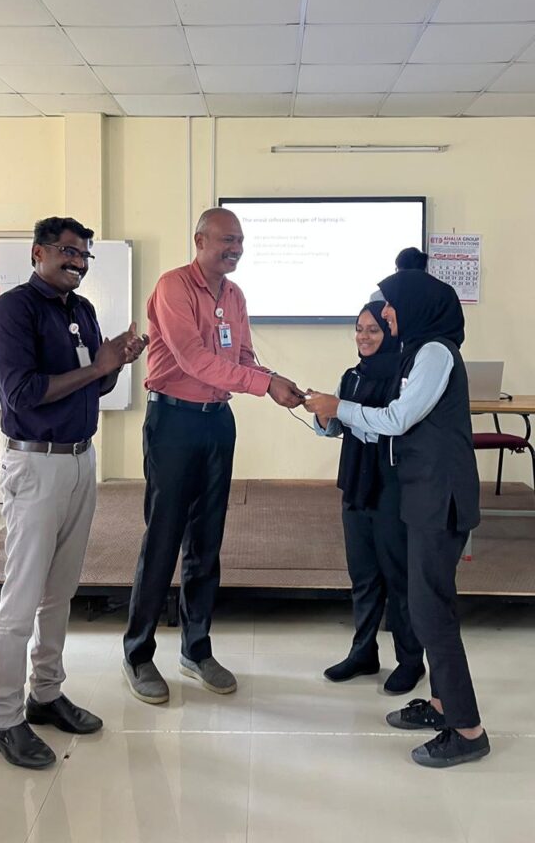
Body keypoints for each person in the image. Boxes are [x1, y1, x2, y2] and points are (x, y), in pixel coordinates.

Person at [305, 270, 490, 769]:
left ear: (415, 304)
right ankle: (441, 705)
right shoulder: (417, 351)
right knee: (430, 604)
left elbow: (397, 420)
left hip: (439, 497)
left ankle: (467, 730)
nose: (384, 313)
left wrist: (339, 407)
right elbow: (388, 431)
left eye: (390, 304)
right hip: (422, 495)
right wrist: (333, 414)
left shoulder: (435, 353)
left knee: (429, 611)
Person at [0, 216, 148, 770]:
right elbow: (24, 394)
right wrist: (98, 366)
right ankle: (6, 717)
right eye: (68, 252)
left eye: (84, 255)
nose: (77, 262)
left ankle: (46, 692)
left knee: (61, 590)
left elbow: (97, 383)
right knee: (23, 595)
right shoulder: (13, 311)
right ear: (39, 252)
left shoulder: (83, 310)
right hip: (35, 464)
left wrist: (116, 362)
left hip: (80, 460)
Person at [123, 207, 304, 704]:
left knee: (207, 540)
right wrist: (265, 385)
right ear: (200, 240)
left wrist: (274, 380)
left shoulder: (235, 295)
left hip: (217, 421)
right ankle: (138, 654)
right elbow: (194, 360)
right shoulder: (173, 287)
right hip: (173, 421)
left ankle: (196, 648)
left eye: (240, 241)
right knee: (163, 538)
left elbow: (240, 357)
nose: (236, 249)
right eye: (227, 240)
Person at [314, 302, 424, 694]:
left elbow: (391, 427)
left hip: (391, 486)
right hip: (356, 483)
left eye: (373, 329)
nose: (363, 336)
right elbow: (334, 428)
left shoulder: (405, 377)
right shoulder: (352, 376)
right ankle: (363, 652)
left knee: (398, 576)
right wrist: (323, 415)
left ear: (390, 332)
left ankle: (410, 661)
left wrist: (343, 410)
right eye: (359, 329)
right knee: (362, 574)